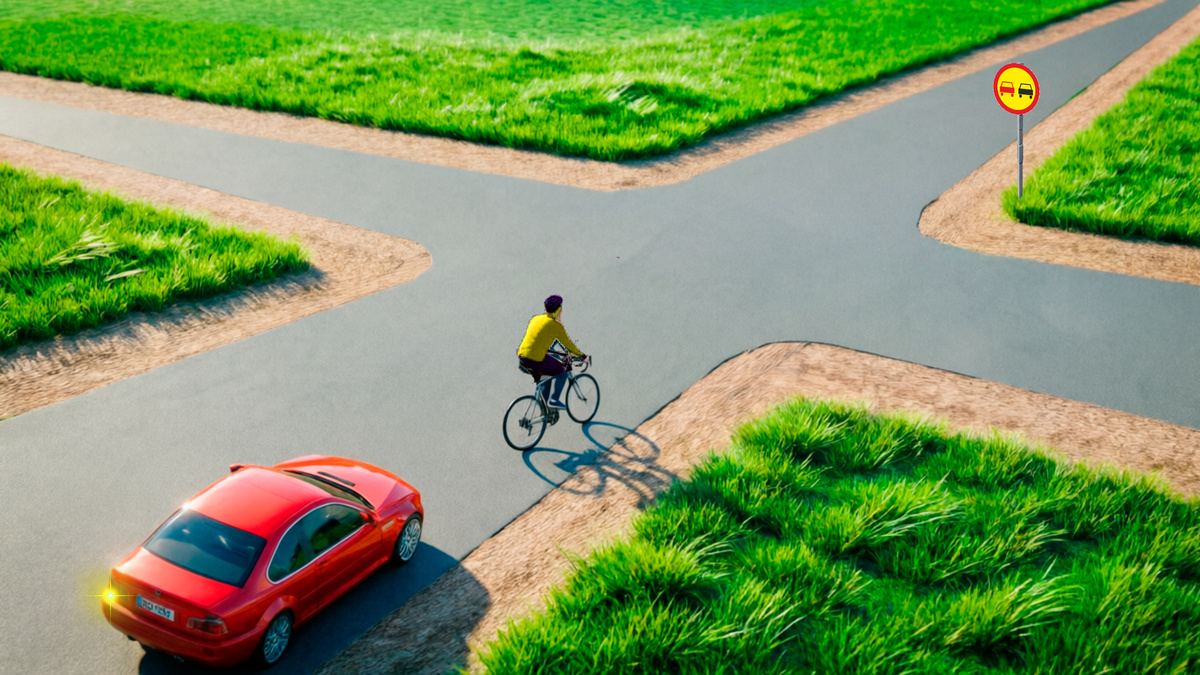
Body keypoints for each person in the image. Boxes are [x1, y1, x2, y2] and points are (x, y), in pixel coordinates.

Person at [517, 295, 586, 409]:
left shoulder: (536, 318)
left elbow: (538, 337)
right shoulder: (556, 326)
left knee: (546, 376)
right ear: (559, 310)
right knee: (562, 370)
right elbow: (568, 345)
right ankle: (554, 400)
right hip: (534, 360)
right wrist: (582, 356)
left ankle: (544, 410)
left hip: (522, 357)